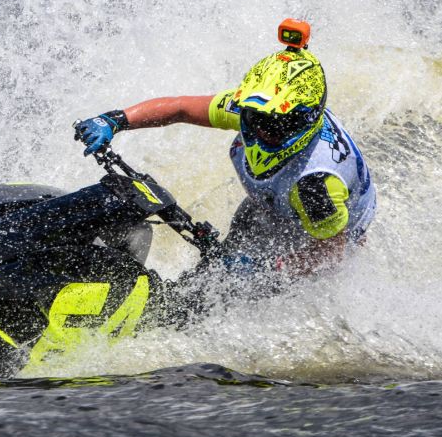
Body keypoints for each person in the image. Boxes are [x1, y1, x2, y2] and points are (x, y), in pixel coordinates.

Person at [74, 19, 375, 277]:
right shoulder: (251, 107)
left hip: (320, 233)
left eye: (276, 125)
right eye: (256, 119)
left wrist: (269, 268)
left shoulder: (315, 187)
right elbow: (178, 108)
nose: (261, 130)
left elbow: (330, 254)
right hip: (267, 206)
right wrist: (115, 120)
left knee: (249, 288)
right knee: (214, 269)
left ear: (305, 118)